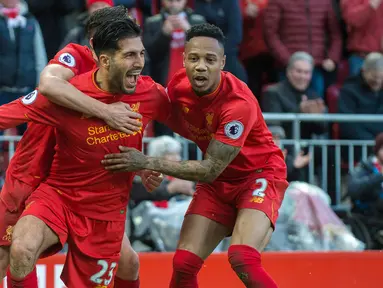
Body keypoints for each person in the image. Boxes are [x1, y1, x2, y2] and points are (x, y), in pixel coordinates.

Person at [102, 23, 288, 288]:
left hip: (258, 176)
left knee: (242, 257)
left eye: (210, 59)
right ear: (184, 60)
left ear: (222, 62)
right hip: (218, 185)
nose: (201, 66)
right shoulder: (178, 87)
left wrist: (147, 162)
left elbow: (210, 168)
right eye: (194, 58)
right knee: (183, 264)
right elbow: (145, 112)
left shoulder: (238, 105)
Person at [0, 8, 156, 288]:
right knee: (12, 253)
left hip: (89, 189)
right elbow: (47, 84)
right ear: (96, 45)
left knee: (129, 261)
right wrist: (105, 112)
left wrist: (145, 164)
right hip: (33, 175)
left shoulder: (134, 83)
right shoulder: (75, 58)